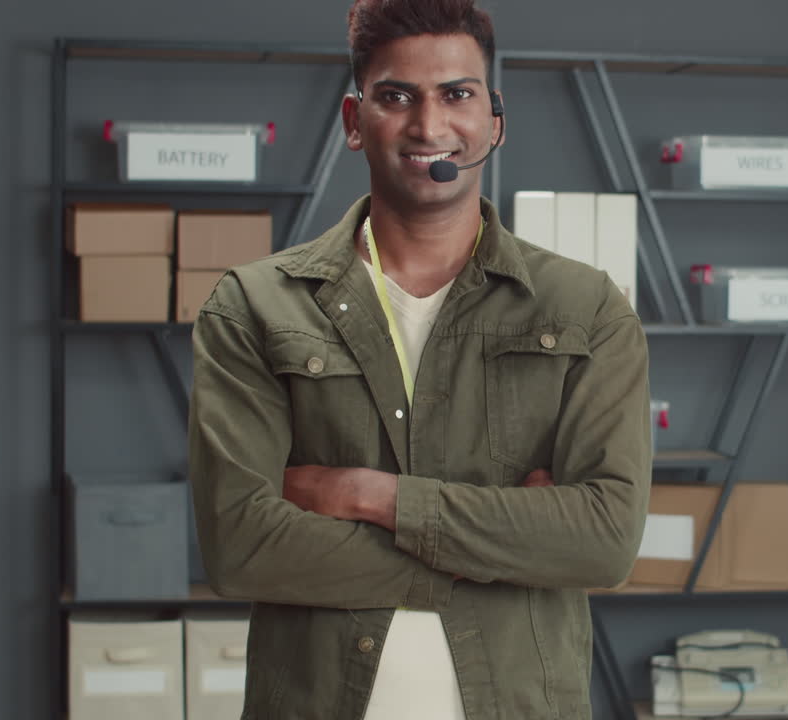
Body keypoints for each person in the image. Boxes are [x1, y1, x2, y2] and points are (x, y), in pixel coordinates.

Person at [186, 0, 652, 718]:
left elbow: (603, 542)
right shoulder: (255, 306)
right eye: (396, 96)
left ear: (494, 120)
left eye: (457, 95)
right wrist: (506, 548)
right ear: (353, 120)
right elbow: (242, 547)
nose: (430, 127)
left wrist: (374, 498)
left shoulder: (584, 309)